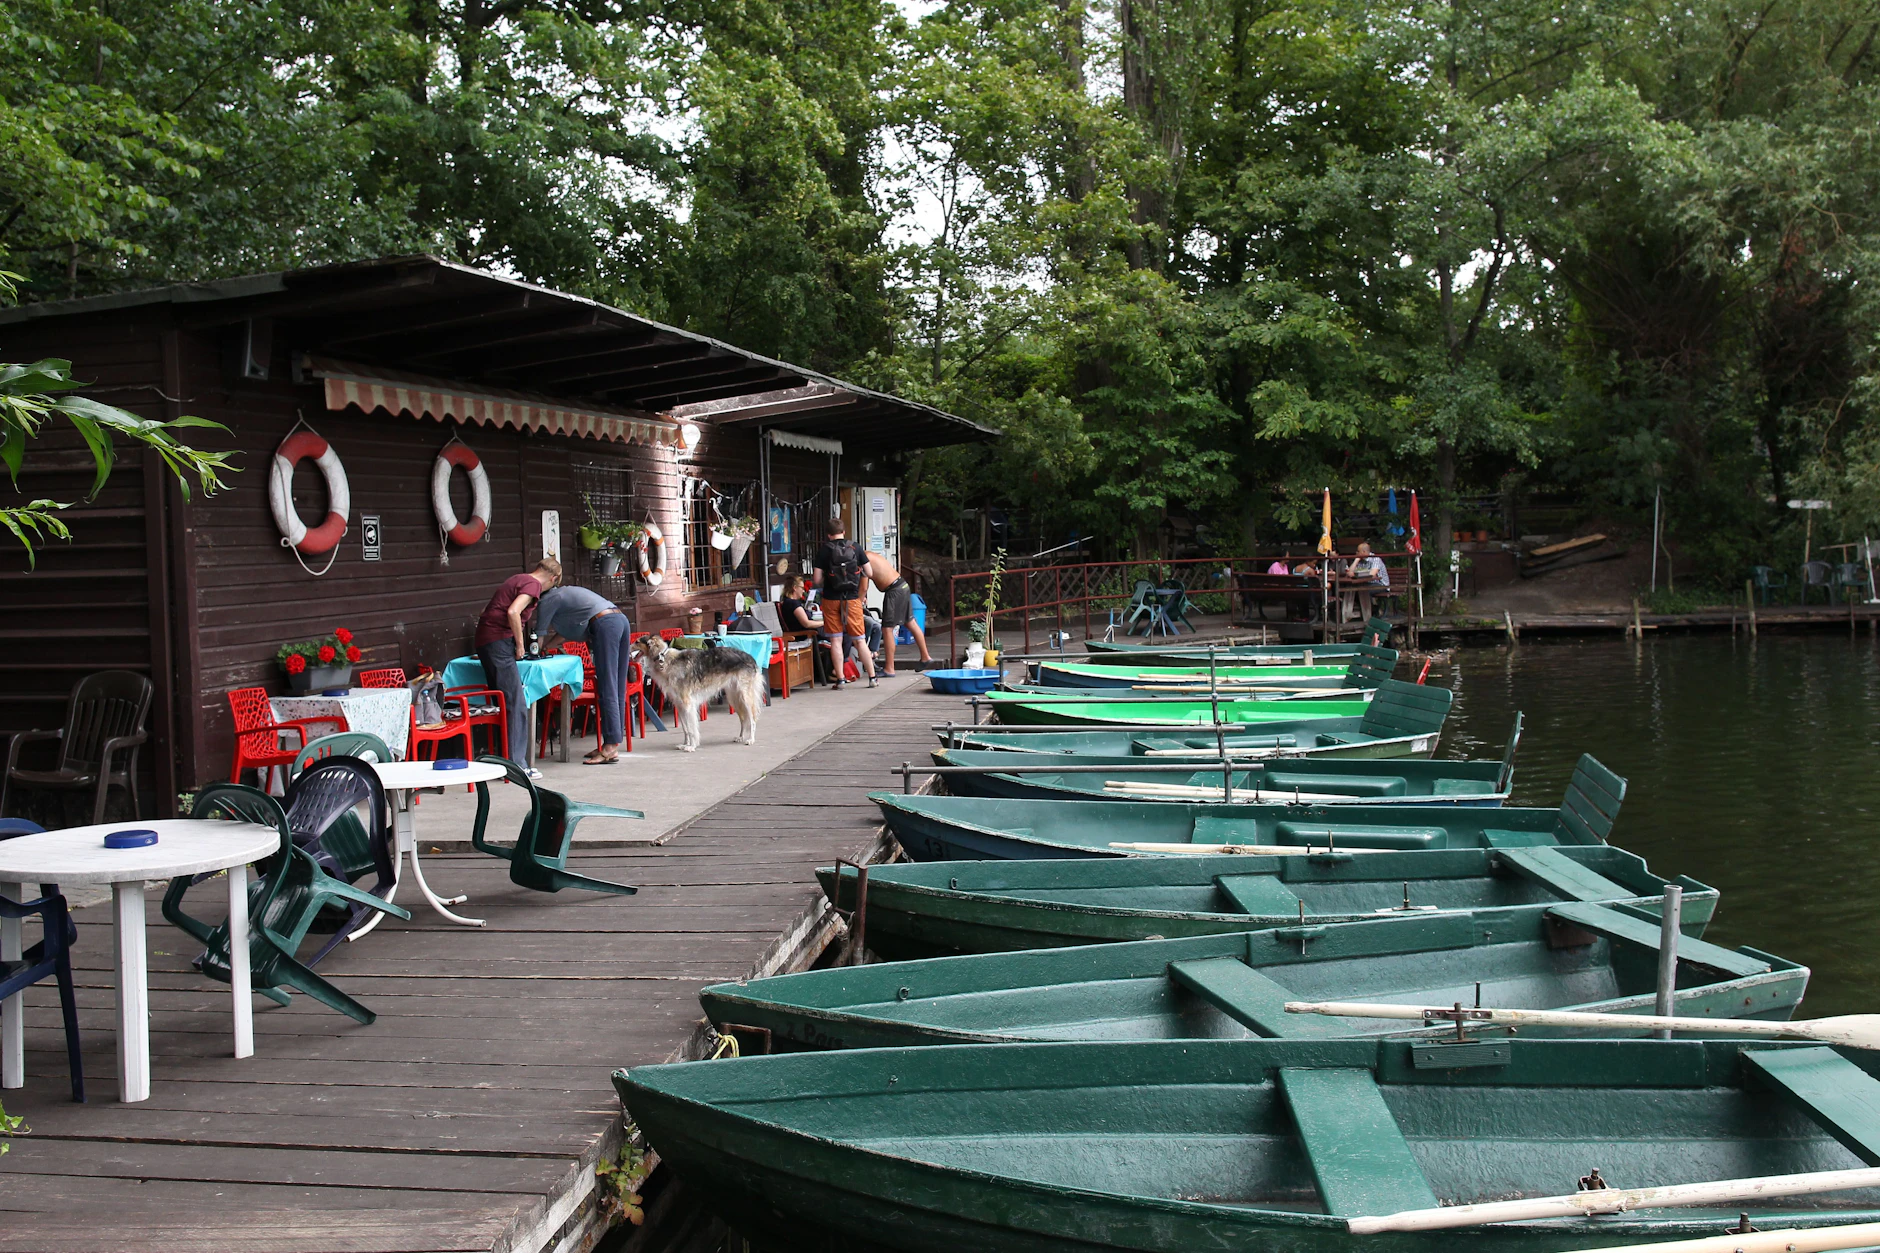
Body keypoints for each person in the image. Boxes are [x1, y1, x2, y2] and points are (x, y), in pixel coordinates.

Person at [473, 557, 561, 776]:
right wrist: (520, 645)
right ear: (553, 578)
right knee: (516, 702)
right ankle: (517, 765)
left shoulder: (516, 579)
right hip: (499, 641)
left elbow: (487, 608)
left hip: (486, 639)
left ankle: (503, 759)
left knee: (501, 701)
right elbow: (513, 611)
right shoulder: (533, 585)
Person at [536, 584, 631, 765]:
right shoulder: (565, 595)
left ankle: (610, 747)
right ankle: (612, 743)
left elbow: (539, 632)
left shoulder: (547, 600)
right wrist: (548, 647)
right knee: (617, 685)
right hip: (619, 619)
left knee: (607, 685)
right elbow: (564, 634)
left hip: (604, 624)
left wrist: (537, 649)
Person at [813, 516, 875, 689]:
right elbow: (869, 572)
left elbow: (817, 579)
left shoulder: (824, 551)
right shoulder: (855, 547)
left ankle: (840, 680)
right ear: (844, 532)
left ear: (828, 534)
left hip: (831, 599)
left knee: (836, 641)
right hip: (853, 599)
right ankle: (872, 677)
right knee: (860, 640)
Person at [863, 548, 933, 675]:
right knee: (910, 622)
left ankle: (889, 668)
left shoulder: (864, 560)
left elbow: (863, 586)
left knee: (887, 629)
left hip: (894, 591)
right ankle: (925, 657)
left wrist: (860, 598)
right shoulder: (870, 555)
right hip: (902, 585)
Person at [1343, 542, 1390, 620]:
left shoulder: (1375, 559)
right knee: (1352, 591)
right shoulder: (1361, 560)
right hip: (1366, 583)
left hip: (1380, 584)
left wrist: (1355, 575)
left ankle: (1371, 611)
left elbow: (1372, 574)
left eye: (1358, 551)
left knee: (1362, 592)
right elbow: (1350, 572)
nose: (1356, 553)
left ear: (1364, 552)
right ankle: (1371, 610)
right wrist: (1356, 560)